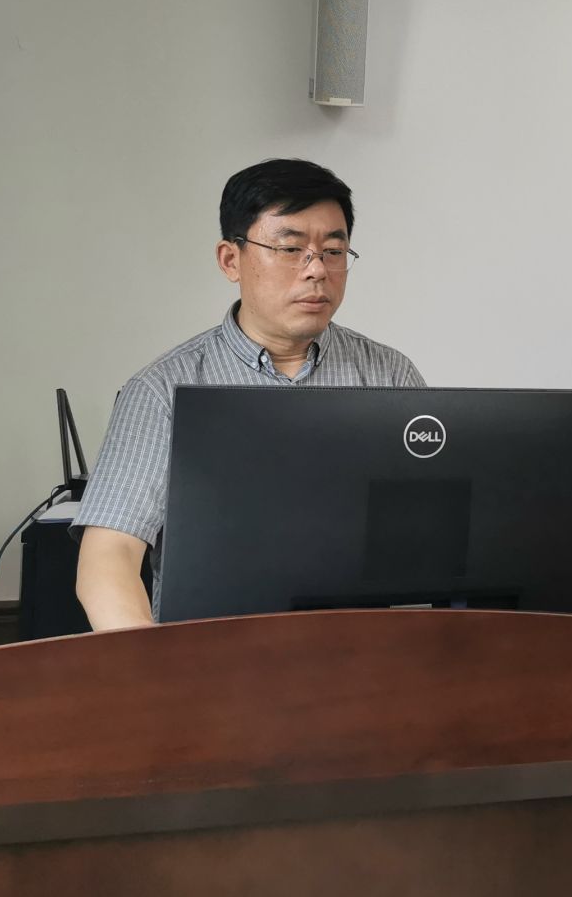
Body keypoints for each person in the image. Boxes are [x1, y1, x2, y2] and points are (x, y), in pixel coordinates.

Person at [73, 158, 426, 630]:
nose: (316, 270)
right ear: (230, 260)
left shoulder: (390, 375)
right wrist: (152, 667)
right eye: (290, 248)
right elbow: (109, 558)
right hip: (212, 654)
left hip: (359, 651)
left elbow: (427, 539)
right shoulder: (162, 391)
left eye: (333, 251)